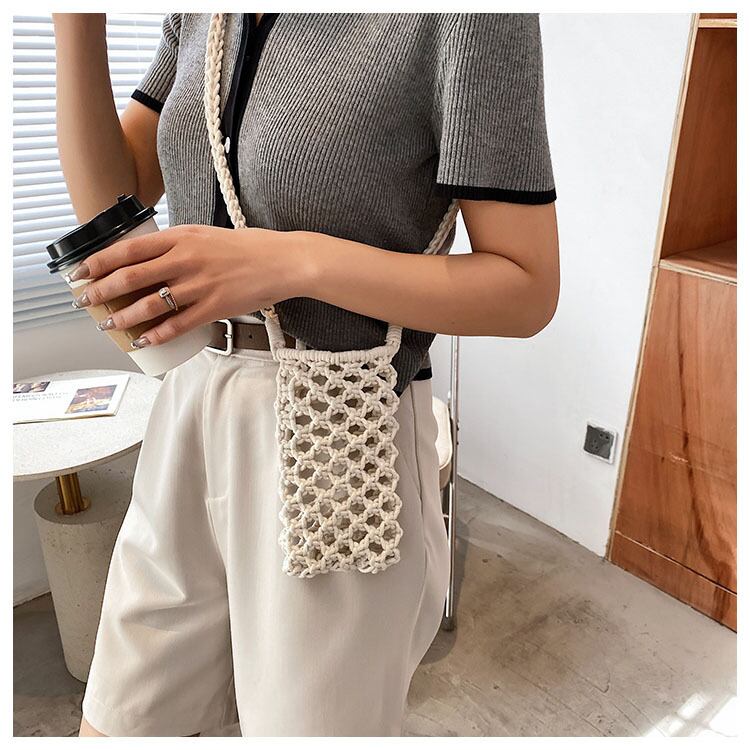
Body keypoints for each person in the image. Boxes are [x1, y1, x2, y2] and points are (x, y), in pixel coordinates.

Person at [53, 12, 559, 737]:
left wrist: (292, 261)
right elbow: (111, 208)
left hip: (338, 428)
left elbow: (527, 288)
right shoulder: (201, 15)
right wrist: (76, 25)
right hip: (191, 398)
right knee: (119, 720)